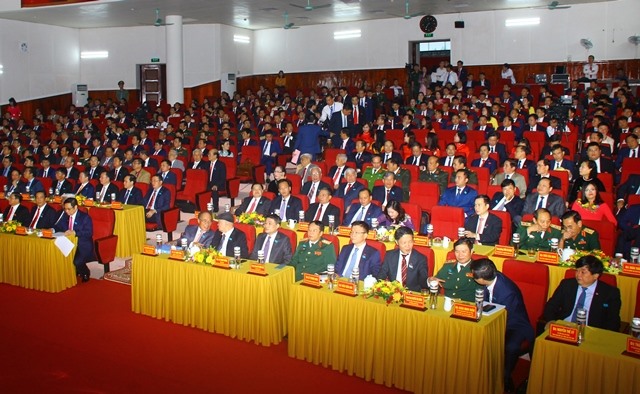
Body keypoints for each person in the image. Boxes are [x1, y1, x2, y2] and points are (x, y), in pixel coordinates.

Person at [469, 258, 533, 391]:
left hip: (513, 324)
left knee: (510, 347)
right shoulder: (491, 279)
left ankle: (505, 377)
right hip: (494, 318)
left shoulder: (507, 291)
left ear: (481, 279)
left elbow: (504, 317)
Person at [542, 255, 620, 332]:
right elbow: (551, 306)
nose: (578, 275)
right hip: (565, 328)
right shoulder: (567, 284)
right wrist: (551, 320)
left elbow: (613, 321)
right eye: (577, 270)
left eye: (583, 272)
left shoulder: (610, 293)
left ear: (595, 275)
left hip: (591, 331)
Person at [377, 226, 428, 292]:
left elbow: (423, 280)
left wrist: (429, 281)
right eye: (404, 243)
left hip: (412, 295)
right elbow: (381, 275)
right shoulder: (390, 255)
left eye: (410, 242)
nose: (408, 245)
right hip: (392, 293)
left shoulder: (420, 258)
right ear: (397, 242)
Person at [54, 197, 94, 282]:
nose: (67, 211)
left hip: (82, 244)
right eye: (65, 209)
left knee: (77, 261)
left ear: (75, 207)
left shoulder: (85, 217)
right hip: (67, 243)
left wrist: (75, 232)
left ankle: (85, 272)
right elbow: (58, 226)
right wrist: (52, 230)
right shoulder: (65, 216)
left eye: (69, 209)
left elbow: (89, 232)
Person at [430, 238, 480, 302]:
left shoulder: (477, 268)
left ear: (472, 251)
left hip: (466, 306)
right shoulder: (448, 266)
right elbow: (436, 281)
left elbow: (481, 293)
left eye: (464, 251)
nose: (460, 255)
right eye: (457, 251)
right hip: (446, 303)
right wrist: (431, 281)